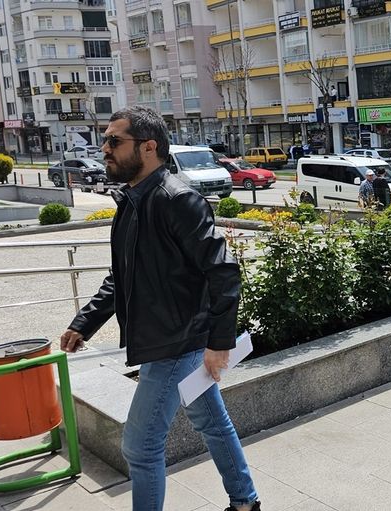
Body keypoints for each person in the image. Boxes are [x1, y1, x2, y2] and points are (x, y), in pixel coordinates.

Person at [59, 106, 261, 511]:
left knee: (140, 446)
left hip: (177, 344)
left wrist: (219, 343)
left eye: (114, 141)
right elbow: (123, 275)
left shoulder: (178, 199)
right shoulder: (132, 201)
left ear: (148, 147)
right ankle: (245, 503)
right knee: (211, 422)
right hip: (164, 339)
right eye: (105, 140)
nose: (104, 149)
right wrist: (85, 322)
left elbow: (223, 273)